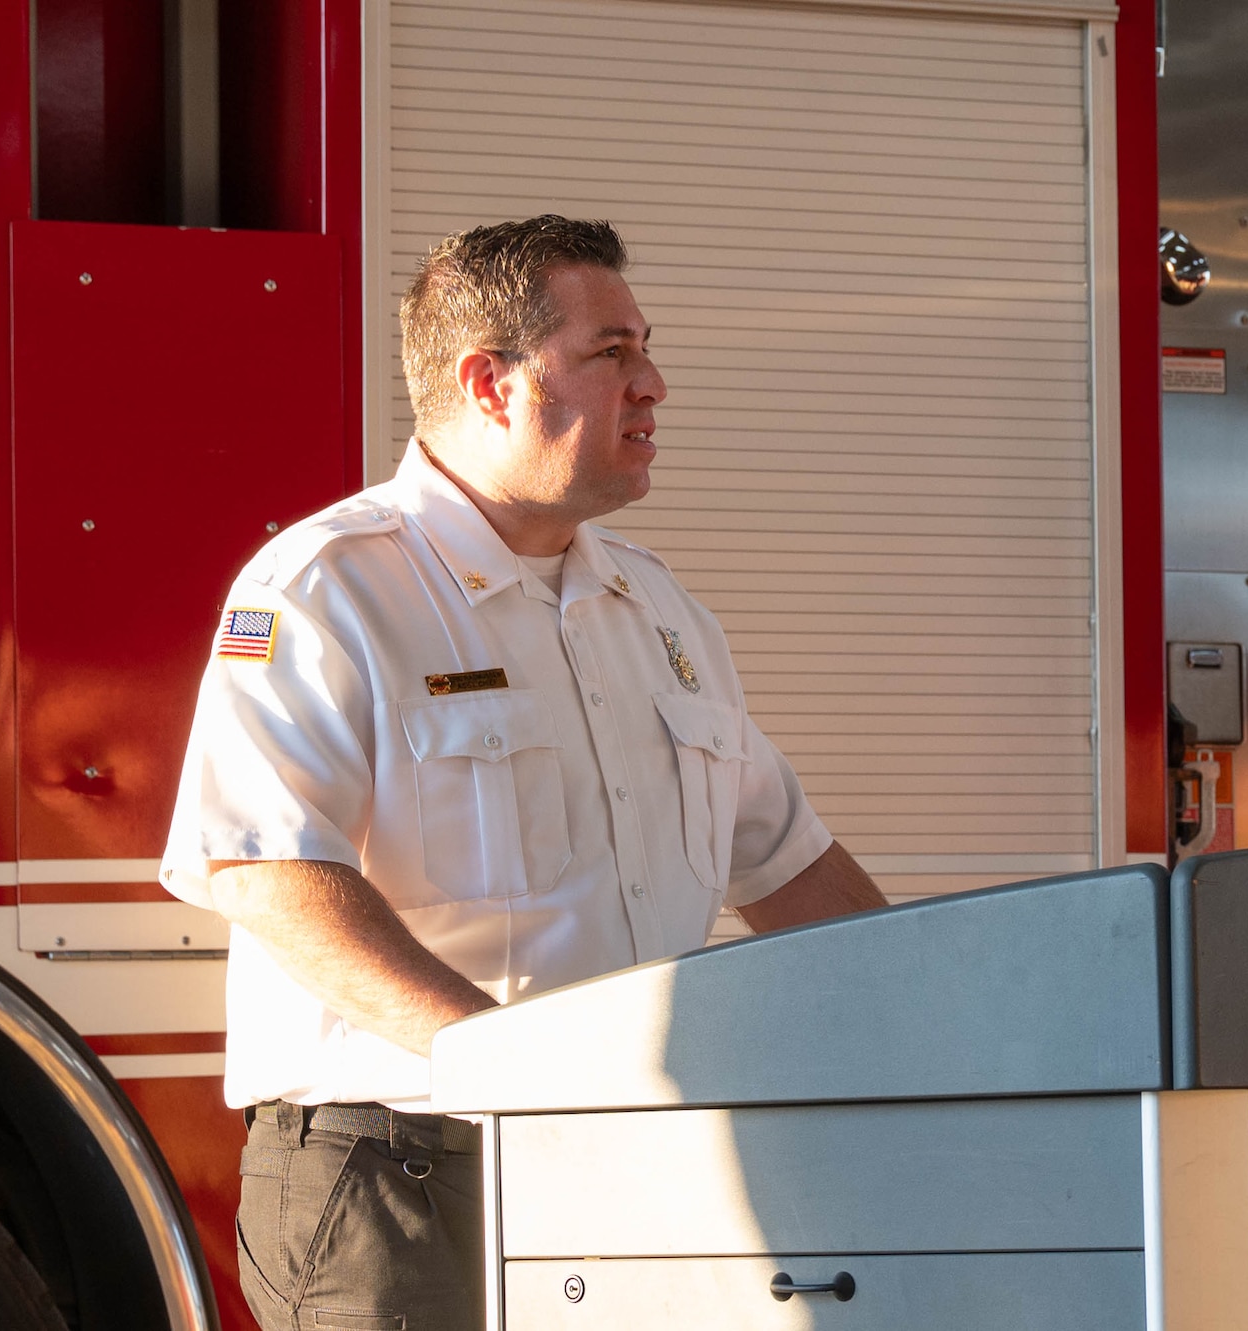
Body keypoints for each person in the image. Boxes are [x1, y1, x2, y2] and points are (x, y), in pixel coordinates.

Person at [159, 215, 888, 1331]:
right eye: (610, 353)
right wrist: (516, 1065)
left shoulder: (658, 609)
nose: (653, 383)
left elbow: (789, 869)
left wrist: (957, 1021)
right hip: (399, 1179)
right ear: (486, 382)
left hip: (626, 1156)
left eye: (643, 347)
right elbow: (269, 877)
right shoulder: (326, 589)